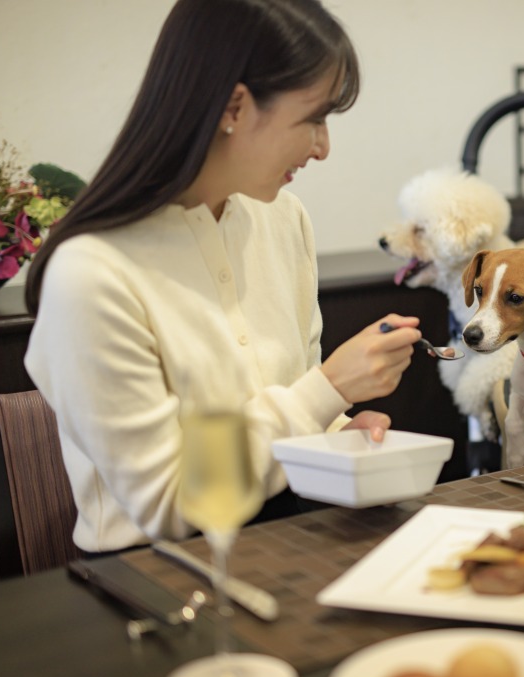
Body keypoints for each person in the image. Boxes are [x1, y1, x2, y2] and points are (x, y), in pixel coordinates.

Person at [23, 0, 422, 554]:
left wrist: (335, 437)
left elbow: (286, 397)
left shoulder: (281, 218)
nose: (323, 148)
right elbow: (169, 500)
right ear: (235, 106)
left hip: (286, 537)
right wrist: (328, 391)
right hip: (155, 570)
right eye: (314, 119)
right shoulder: (92, 272)